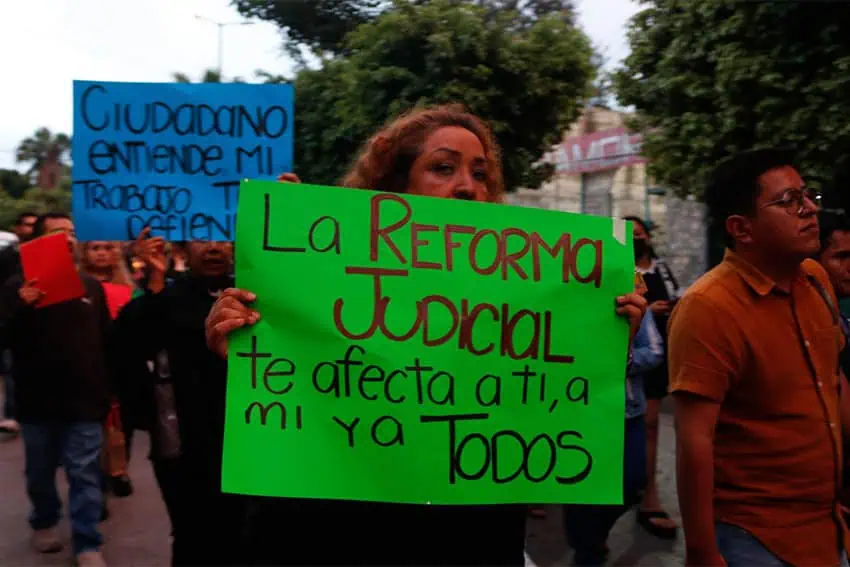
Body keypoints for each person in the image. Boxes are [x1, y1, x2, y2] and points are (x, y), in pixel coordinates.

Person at [204, 104, 648, 566]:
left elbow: (551, 410)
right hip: (342, 531)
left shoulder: (521, 304)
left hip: (470, 535)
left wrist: (606, 340)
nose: (467, 187)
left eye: (481, 175)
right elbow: (276, 431)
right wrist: (242, 341)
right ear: (393, 186)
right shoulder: (322, 284)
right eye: (442, 168)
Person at [669, 148, 849, 566]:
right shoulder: (707, 307)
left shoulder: (815, 277)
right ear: (740, 228)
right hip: (755, 539)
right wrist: (701, 551)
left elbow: (832, 378)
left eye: (807, 196)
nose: (808, 209)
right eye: (788, 201)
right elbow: (695, 439)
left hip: (827, 526)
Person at [109, 229, 247, 566]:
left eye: (223, 239)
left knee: (245, 533)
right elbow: (130, 345)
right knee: (192, 535)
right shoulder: (168, 296)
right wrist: (155, 281)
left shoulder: (255, 292)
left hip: (249, 438)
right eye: (202, 238)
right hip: (185, 444)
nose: (214, 247)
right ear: (183, 247)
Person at [0, 213, 111, 567]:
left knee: (84, 473)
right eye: (56, 233)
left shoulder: (90, 288)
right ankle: (44, 520)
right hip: (37, 404)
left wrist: (110, 390)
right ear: (37, 242)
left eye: (71, 233)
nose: (66, 239)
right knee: (40, 471)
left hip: (84, 402)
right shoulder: (15, 287)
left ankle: (87, 542)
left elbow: (107, 342)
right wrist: (19, 306)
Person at [563, 273, 663, 565]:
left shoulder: (626, 295)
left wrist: (617, 359)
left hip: (625, 410)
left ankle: (591, 536)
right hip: (575, 411)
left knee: (632, 483)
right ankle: (586, 547)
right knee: (579, 486)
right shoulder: (561, 301)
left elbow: (654, 351)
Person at [622, 215, 680, 539]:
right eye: (630, 234)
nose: (637, 238)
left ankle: (647, 494)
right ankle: (645, 495)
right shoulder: (624, 275)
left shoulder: (662, 268)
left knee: (650, 423)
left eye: (640, 232)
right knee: (645, 424)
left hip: (655, 351)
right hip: (639, 351)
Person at [0, 211, 38, 435]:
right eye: (26, 225)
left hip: (35, 316)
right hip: (10, 316)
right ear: (17, 228)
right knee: (12, 367)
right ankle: (13, 414)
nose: (30, 229)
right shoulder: (7, 256)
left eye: (34, 225)